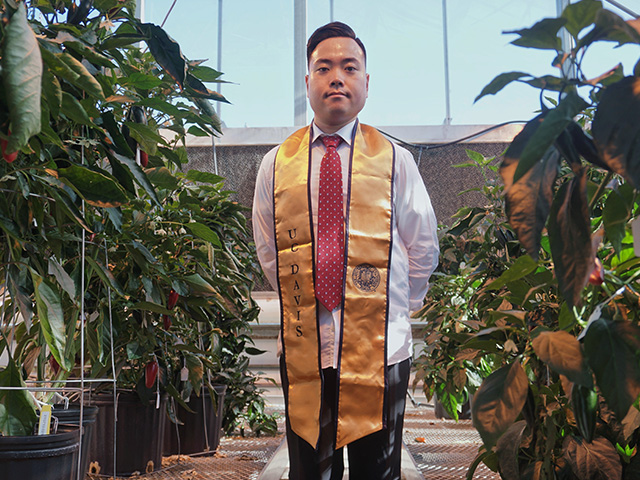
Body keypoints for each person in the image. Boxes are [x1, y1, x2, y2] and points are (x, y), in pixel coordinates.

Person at [252, 21, 439, 480]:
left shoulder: (397, 160)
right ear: (309, 82)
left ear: (366, 83)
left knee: (378, 472)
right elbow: (270, 252)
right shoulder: (276, 164)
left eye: (349, 67)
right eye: (325, 67)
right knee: (309, 473)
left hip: (380, 350)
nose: (337, 77)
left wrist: (394, 309)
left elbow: (423, 249)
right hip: (304, 346)